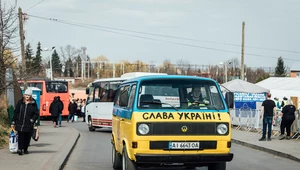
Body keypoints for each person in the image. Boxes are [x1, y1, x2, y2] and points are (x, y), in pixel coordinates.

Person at [11, 88, 39, 155]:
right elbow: (16, 112)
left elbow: (36, 113)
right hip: (20, 122)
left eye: (28, 95)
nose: (27, 96)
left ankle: (25, 149)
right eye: (26, 95)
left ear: (30, 96)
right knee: (21, 136)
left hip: (28, 123)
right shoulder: (20, 102)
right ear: (24, 95)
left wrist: (32, 120)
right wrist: (13, 121)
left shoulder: (33, 103)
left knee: (27, 137)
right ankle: (20, 149)